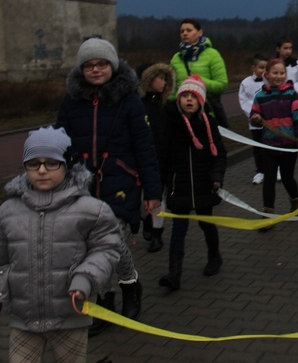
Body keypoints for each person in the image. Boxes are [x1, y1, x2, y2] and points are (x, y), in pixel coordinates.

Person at [56, 37, 160, 334]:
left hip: (121, 182)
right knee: (88, 246)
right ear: (81, 69)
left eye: (101, 64)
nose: (96, 69)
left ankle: (130, 285)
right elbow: (59, 142)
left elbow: (145, 148)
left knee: (112, 240)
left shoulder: (129, 101)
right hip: (81, 185)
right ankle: (103, 300)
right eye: (89, 65)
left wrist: (152, 192)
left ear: (112, 66)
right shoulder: (72, 101)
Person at [0, 127, 121, 362]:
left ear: (67, 164)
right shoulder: (8, 211)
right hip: (23, 320)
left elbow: (106, 249)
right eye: (33, 163)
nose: (42, 170)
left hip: (70, 316)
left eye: (51, 163)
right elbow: (2, 260)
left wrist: (85, 279)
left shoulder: (90, 210)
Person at [157, 76, 227, 291]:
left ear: (201, 101)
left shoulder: (208, 123)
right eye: (185, 95)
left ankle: (214, 256)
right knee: (178, 229)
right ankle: (174, 274)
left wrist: (216, 176)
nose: (189, 100)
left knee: (207, 224)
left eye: (193, 96)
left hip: (204, 184)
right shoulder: (171, 123)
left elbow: (220, 154)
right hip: (181, 187)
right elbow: (163, 157)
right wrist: (159, 186)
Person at [250, 58, 298, 226]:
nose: (278, 76)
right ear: (266, 74)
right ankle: (268, 214)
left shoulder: (292, 94)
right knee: (268, 179)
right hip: (268, 144)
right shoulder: (260, 96)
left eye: (282, 73)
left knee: (288, 177)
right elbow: (253, 116)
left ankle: (295, 200)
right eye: (274, 73)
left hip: (288, 145)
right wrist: (256, 118)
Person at [137, 62, 176, 253]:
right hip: (143, 158)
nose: (163, 82)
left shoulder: (168, 106)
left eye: (165, 79)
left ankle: (157, 233)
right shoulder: (139, 107)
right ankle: (147, 221)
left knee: (158, 197)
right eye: (160, 78)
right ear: (149, 80)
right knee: (143, 196)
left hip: (163, 158)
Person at [170, 18, 229, 127]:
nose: (185, 33)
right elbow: (172, 89)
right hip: (181, 116)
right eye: (182, 31)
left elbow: (222, 84)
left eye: (189, 30)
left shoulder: (212, 55)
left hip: (205, 114)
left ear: (199, 32)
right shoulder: (176, 58)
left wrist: (200, 82)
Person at [239, 54, 270, 185]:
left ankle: (275, 169)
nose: (263, 70)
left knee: (272, 145)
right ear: (254, 67)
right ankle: (260, 171)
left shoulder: (270, 81)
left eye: (266, 68)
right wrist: (254, 114)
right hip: (255, 121)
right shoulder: (245, 83)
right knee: (258, 147)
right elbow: (244, 101)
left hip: (269, 121)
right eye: (261, 67)